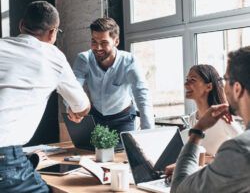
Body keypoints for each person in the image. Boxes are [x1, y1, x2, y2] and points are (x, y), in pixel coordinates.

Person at [0, 1, 90, 192]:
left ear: (21, 25)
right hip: (5, 160)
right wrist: (75, 111)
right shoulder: (52, 55)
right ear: (52, 32)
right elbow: (83, 107)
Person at [170, 46, 250, 193]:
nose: (223, 86)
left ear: (237, 88)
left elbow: (178, 189)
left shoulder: (239, 148)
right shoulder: (194, 117)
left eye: (225, 80)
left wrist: (197, 132)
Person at [69, 17, 154, 141]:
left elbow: (142, 95)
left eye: (104, 43)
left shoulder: (129, 61)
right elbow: (73, 87)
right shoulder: (84, 59)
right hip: (96, 117)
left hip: (123, 119)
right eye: (94, 41)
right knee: (91, 156)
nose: (98, 48)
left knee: (126, 156)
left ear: (116, 41)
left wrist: (149, 135)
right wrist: (72, 107)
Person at [183, 64, 242, 156]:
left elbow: (246, 147)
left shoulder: (223, 117)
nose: (186, 84)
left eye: (193, 80)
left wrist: (210, 159)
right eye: (187, 80)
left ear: (209, 87)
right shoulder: (192, 118)